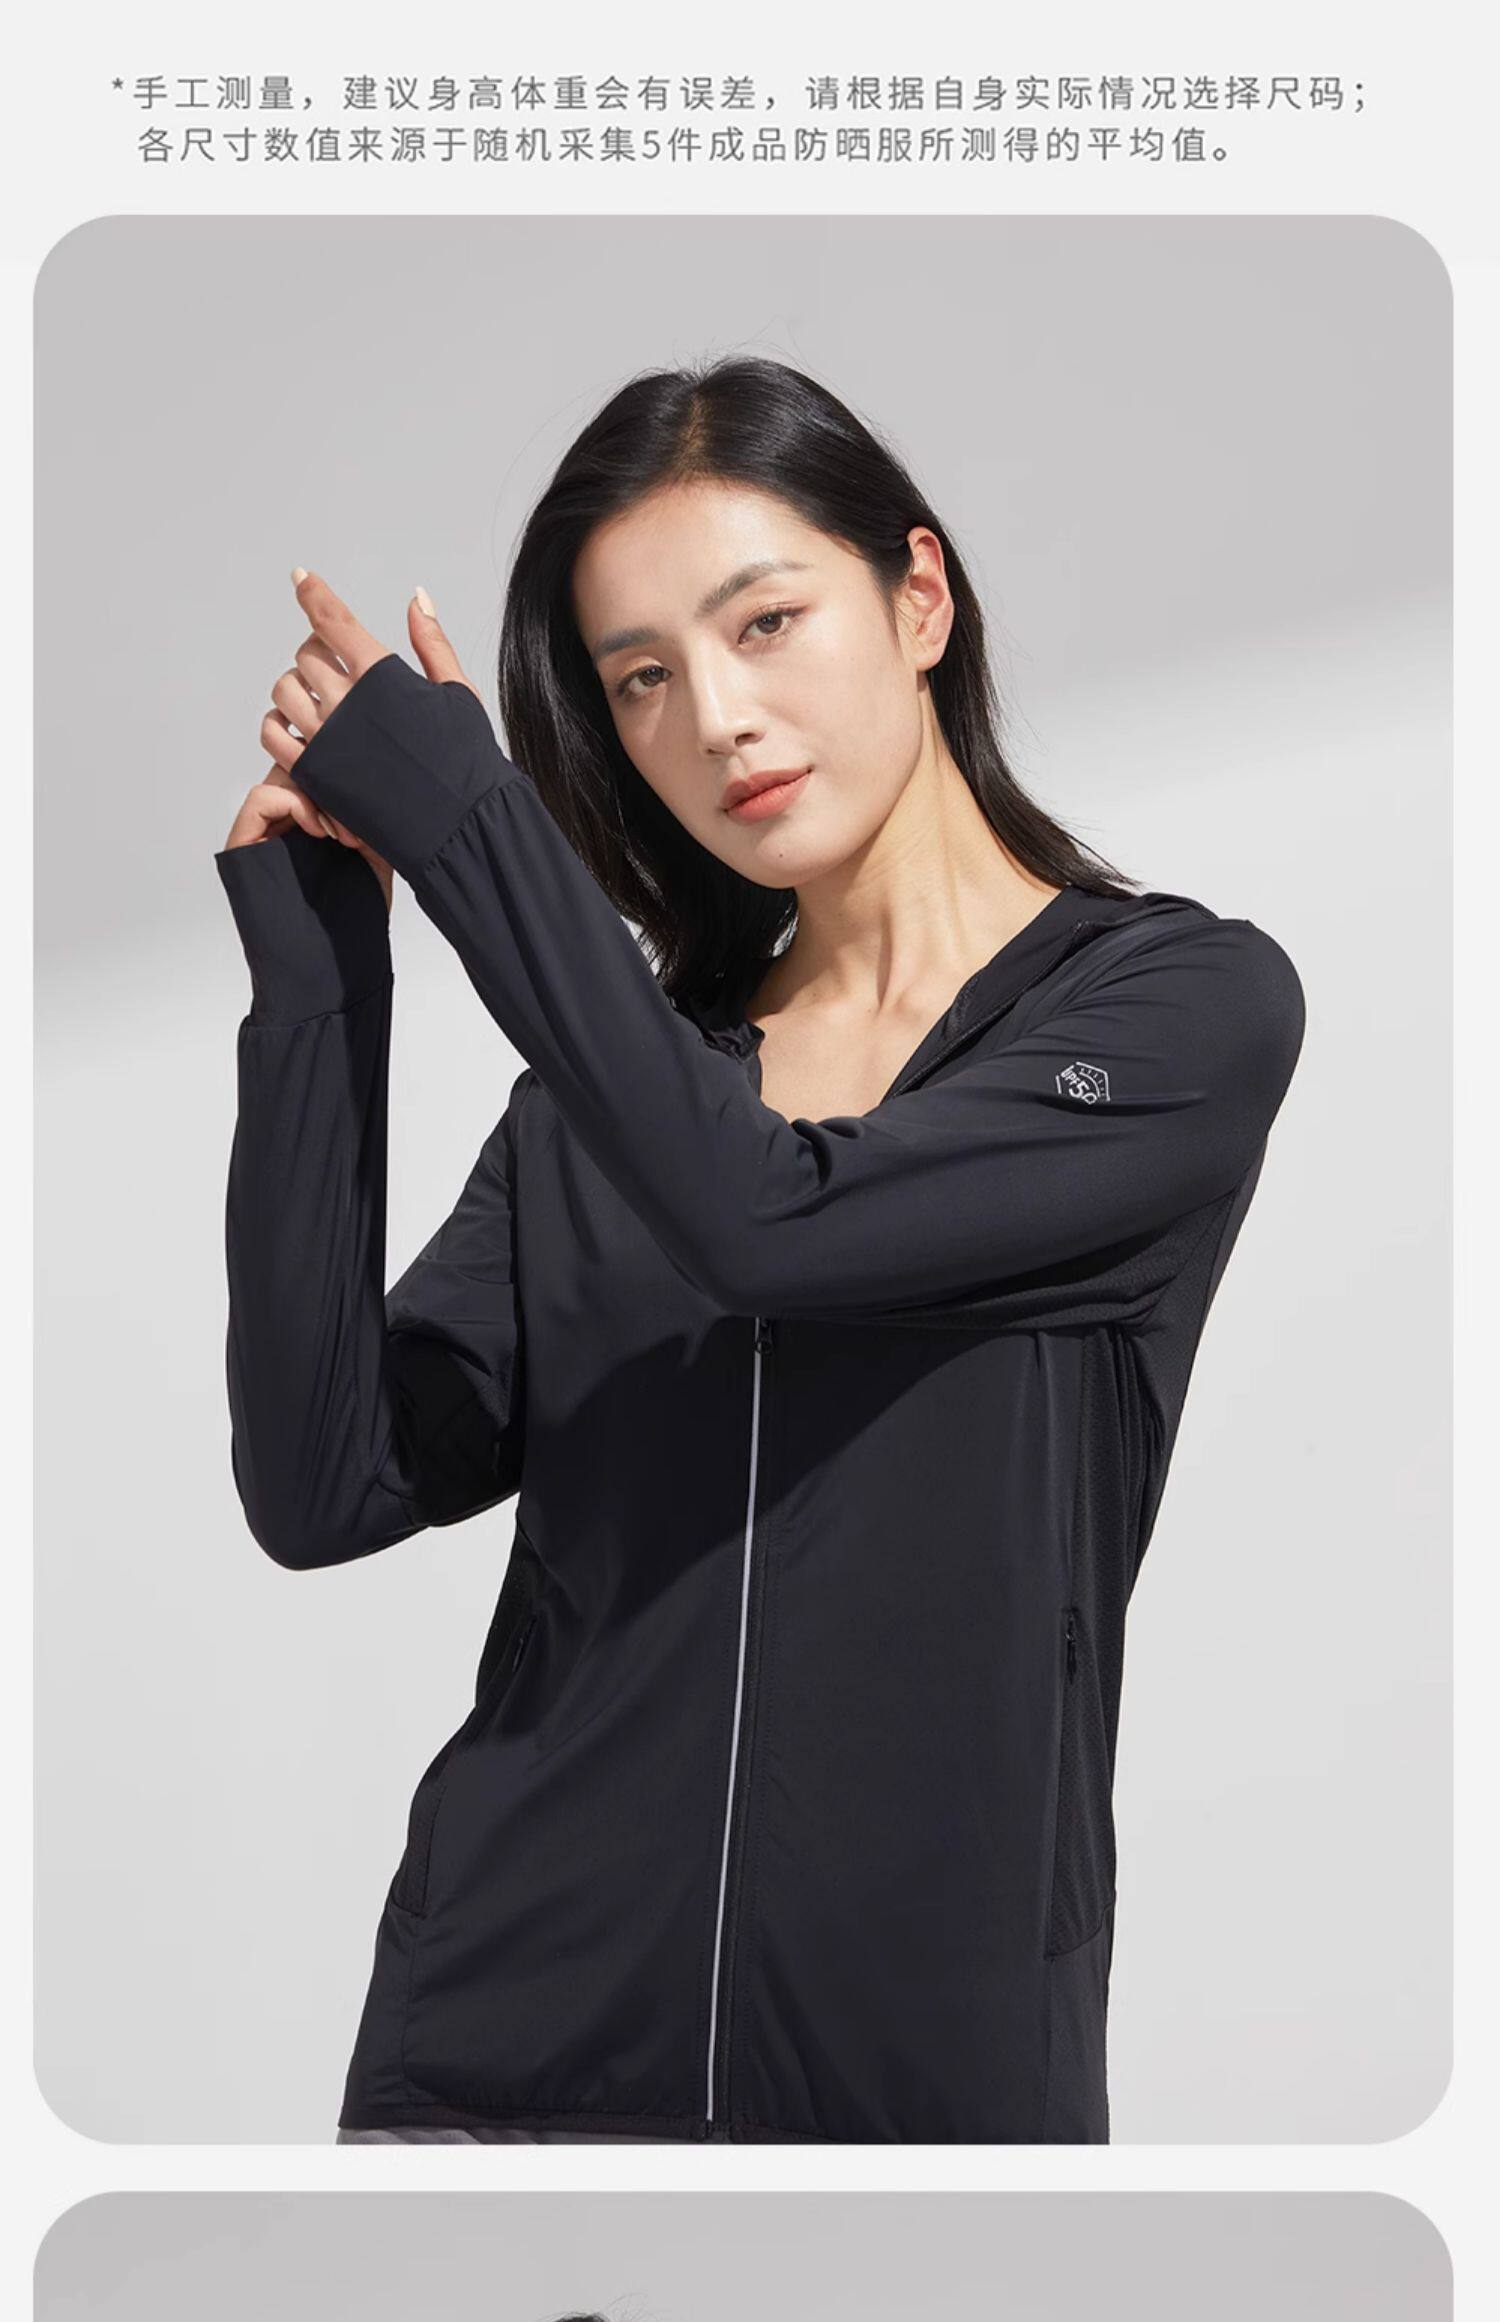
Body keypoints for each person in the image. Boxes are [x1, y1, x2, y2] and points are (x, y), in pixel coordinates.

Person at [214, 356, 1306, 2145]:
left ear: (920, 598)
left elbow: (767, 1219)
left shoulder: (1178, 1010)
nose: (716, 716)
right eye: (642, 676)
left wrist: (470, 821)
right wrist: (321, 983)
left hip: (924, 2118)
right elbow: (325, 1478)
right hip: (493, 2087)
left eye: (766, 621)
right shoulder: (614, 1103)